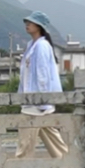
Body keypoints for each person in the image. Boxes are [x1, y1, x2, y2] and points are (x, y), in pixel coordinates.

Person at [15, 11, 69, 159]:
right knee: (52, 138)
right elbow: (25, 75)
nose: (27, 25)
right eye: (26, 22)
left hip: (36, 103)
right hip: (32, 101)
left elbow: (42, 75)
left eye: (30, 22)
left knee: (25, 140)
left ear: (39, 26)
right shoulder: (31, 45)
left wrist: (42, 99)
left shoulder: (42, 46)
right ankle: (66, 161)